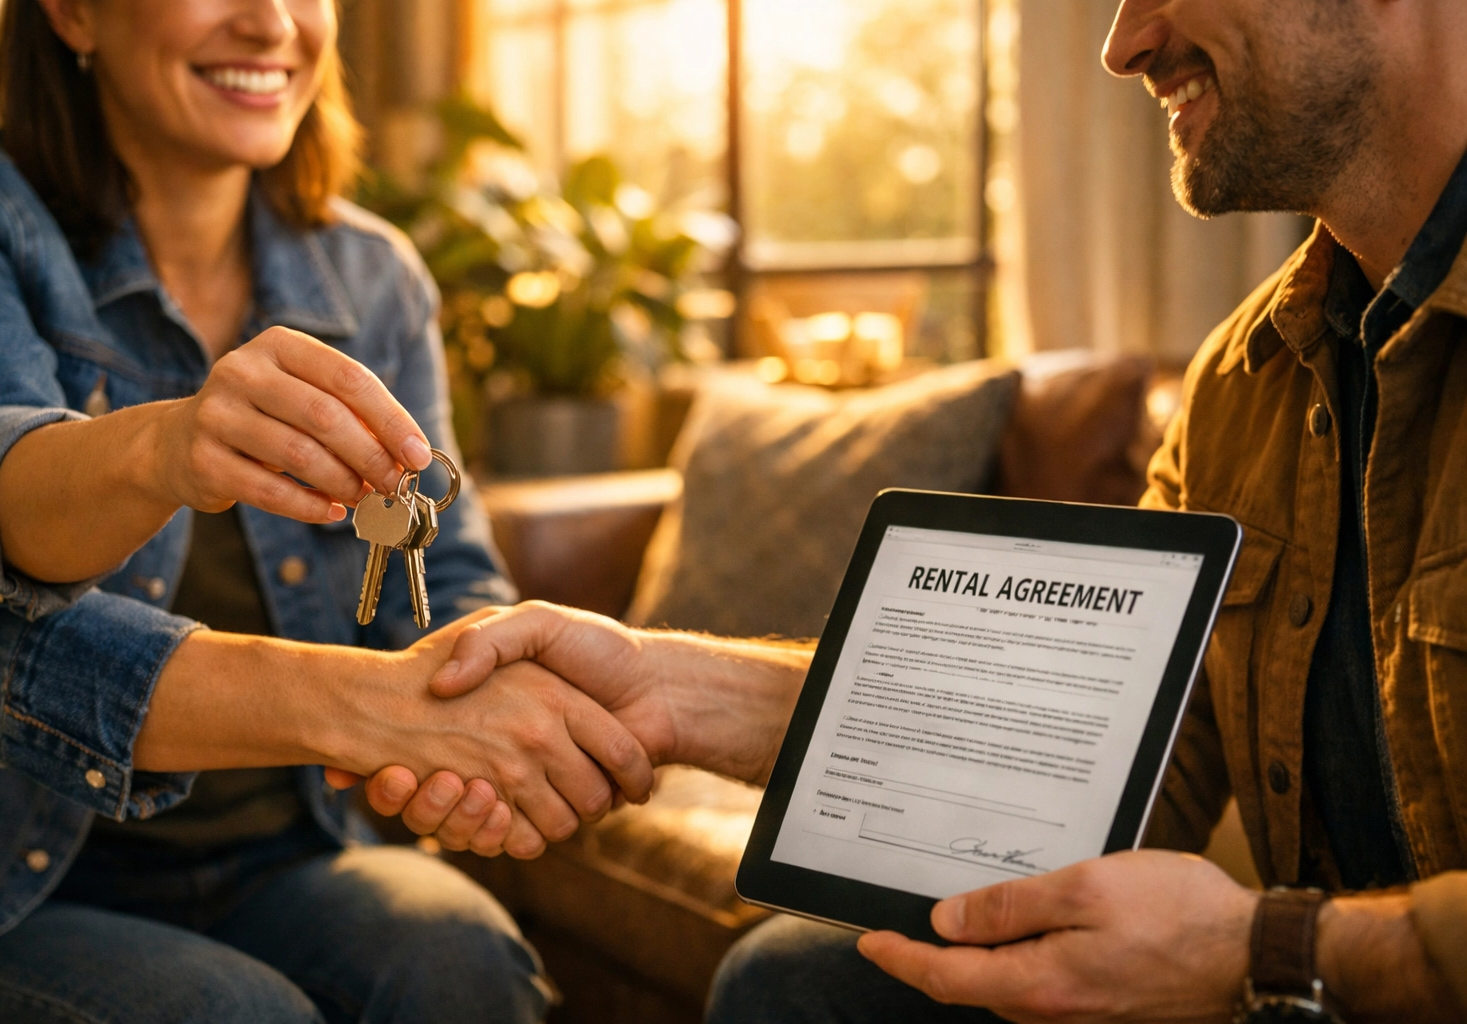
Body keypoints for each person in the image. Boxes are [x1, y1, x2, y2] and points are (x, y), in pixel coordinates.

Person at [363, 0, 1467, 1020]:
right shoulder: (1247, 379)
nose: (1125, 42)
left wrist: (1263, 951)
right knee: (799, 982)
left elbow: (1259, 940)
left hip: (1315, 979)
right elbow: (1114, 758)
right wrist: (674, 691)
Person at [0, 1, 656, 1021]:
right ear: (75, 12)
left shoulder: (374, 275)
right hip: (4, 880)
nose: (272, 22)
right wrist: (164, 445)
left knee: (461, 957)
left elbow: (444, 581)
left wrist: (493, 698)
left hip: (288, 852)